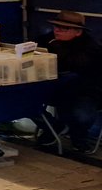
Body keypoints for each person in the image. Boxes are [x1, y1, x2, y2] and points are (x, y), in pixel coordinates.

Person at [39, 10, 101, 151]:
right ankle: (53, 127)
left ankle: (78, 136)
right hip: (54, 88)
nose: (57, 30)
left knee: (82, 115)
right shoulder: (47, 39)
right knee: (26, 103)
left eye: (64, 28)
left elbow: (80, 66)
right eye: (55, 26)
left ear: (78, 32)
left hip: (84, 92)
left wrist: (57, 51)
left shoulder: (91, 48)